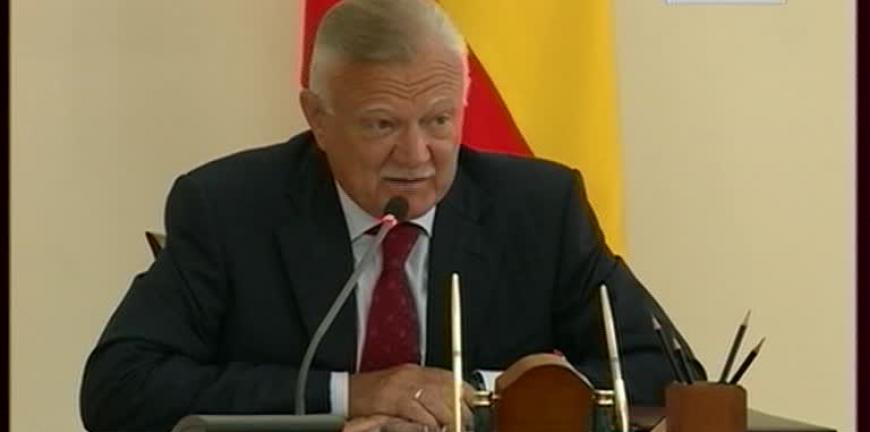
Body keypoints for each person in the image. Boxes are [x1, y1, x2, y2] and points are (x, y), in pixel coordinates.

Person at [80, 0, 679, 430]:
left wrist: (487, 396)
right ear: (317, 118)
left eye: (439, 120)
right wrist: (354, 395)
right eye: (381, 124)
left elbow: (669, 377)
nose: (415, 155)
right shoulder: (230, 208)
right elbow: (120, 387)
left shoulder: (540, 209)